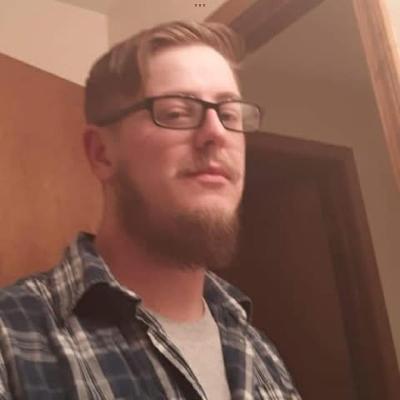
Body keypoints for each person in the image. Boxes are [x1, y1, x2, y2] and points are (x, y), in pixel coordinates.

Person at [0, 21, 301, 399]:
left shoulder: (259, 350)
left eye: (229, 115)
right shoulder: (11, 340)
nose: (217, 133)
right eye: (176, 112)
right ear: (102, 153)